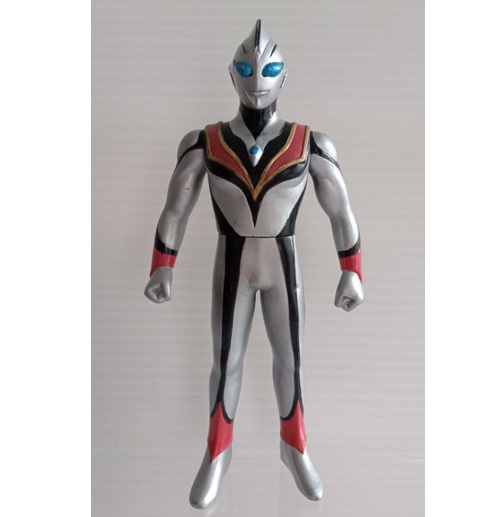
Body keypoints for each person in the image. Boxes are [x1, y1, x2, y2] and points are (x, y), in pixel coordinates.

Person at [144, 20, 364, 509]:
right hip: (233, 259)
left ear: (284, 76)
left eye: (268, 70)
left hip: (282, 261)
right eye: (246, 69)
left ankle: (295, 446)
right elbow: (176, 207)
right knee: (226, 362)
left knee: (292, 360)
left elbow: (341, 210)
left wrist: (352, 269)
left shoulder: (310, 142)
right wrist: (163, 263)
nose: (257, 80)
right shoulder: (206, 141)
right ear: (231, 74)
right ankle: (217, 451)